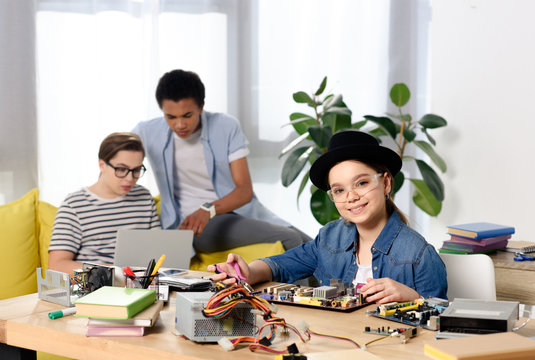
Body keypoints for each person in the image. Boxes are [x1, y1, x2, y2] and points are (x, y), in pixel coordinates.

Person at [210, 130, 448, 304]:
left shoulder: (418, 255)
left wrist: (415, 298)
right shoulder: (329, 238)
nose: (352, 196)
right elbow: (281, 265)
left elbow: (442, 321)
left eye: (362, 183)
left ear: (386, 183)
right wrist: (248, 272)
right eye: (339, 190)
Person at [132, 69, 310, 253]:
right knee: (292, 240)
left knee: (314, 247)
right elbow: (116, 159)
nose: (180, 125)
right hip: (197, 225)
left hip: (236, 212)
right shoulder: (147, 132)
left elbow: (244, 191)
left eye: (187, 115)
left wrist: (207, 208)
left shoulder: (226, 126)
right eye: (171, 117)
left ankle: (334, 283)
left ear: (201, 107)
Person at [48, 132, 160, 277]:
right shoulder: (74, 205)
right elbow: (57, 265)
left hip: (138, 284)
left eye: (137, 170)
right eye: (121, 169)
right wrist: (114, 272)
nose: (130, 178)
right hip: (96, 287)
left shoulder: (144, 197)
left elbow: (158, 251)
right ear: (102, 165)